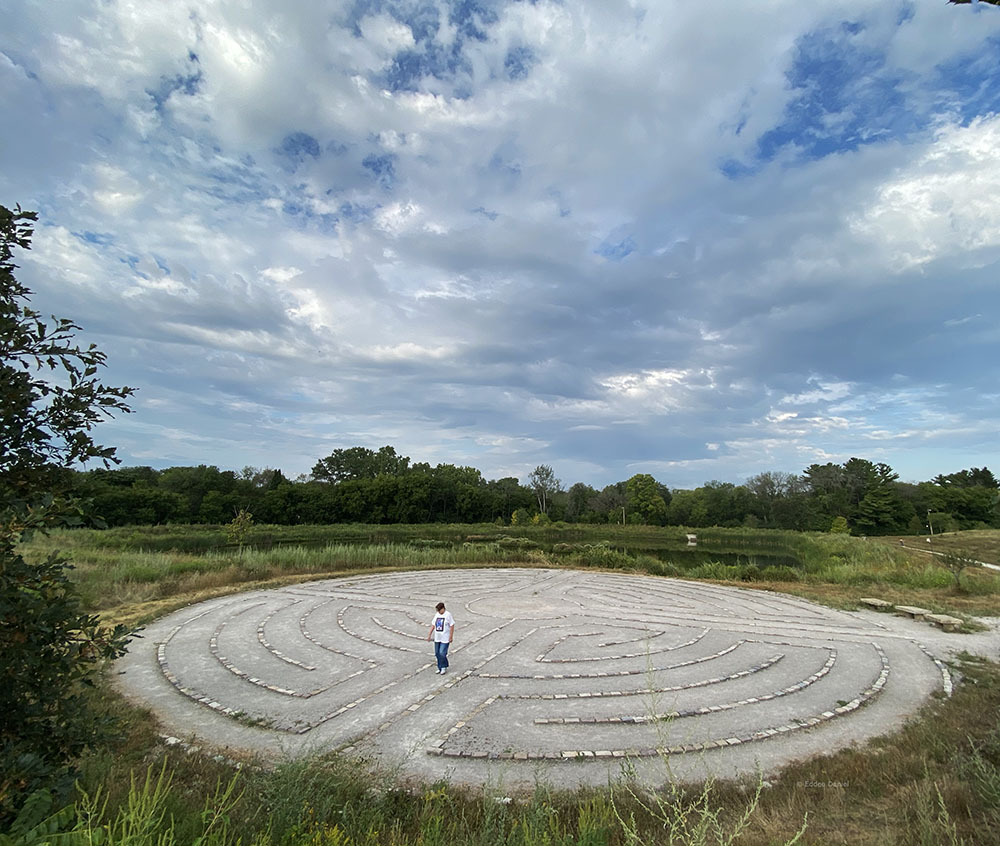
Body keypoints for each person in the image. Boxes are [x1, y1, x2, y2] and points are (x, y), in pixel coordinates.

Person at [427, 601, 455, 674]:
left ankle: (443, 667)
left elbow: (452, 625)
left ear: (443, 609)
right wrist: (429, 634)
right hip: (437, 637)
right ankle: (440, 667)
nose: (439, 612)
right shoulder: (437, 615)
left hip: (445, 638)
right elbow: (433, 625)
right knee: (437, 653)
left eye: (439, 610)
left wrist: (451, 636)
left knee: (442, 653)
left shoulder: (448, 615)